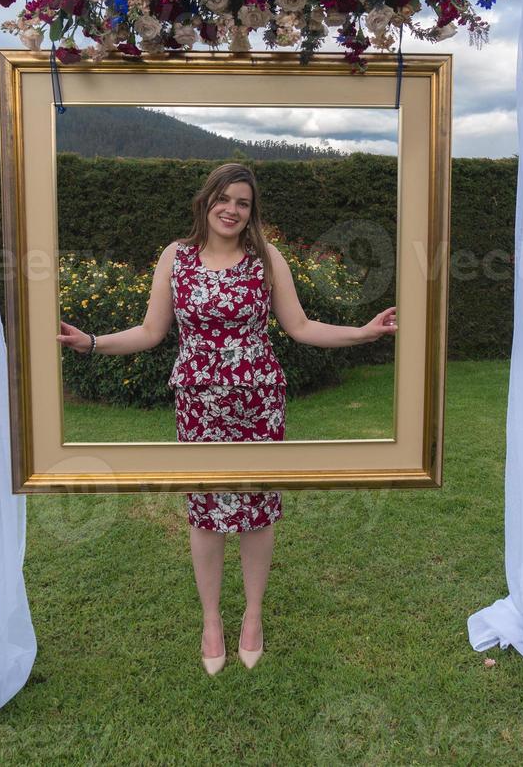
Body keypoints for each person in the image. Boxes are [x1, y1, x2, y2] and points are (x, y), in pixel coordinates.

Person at [57, 163, 397, 674]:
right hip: (198, 403)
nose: (232, 209)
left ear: (251, 210)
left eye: (242, 201)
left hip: (259, 401)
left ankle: (253, 617)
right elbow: (151, 331)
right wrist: (91, 343)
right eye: (224, 198)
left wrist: (363, 333)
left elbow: (300, 327)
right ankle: (212, 620)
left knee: (258, 507)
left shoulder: (266, 259)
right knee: (206, 509)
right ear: (206, 202)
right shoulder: (177, 257)